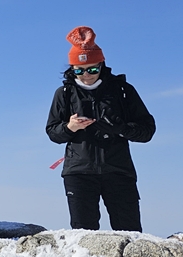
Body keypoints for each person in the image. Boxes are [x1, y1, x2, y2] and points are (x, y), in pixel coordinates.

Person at [46, 26, 155, 231]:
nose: (86, 75)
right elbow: (53, 132)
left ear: (101, 65)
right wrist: (70, 127)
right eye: (79, 70)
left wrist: (120, 128)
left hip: (119, 171)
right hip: (78, 173)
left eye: (92, 69)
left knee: (129, 232)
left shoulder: (123, 91)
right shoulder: (65, 93)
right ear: (72, 69)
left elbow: (147, 130)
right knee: (83, 235)